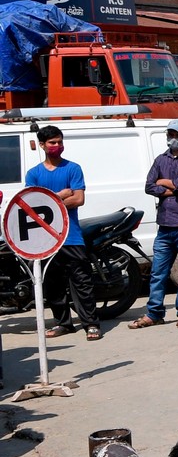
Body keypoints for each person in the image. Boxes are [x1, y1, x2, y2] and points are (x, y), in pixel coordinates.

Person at [24, 126, 100, 339]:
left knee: (82, 282)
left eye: (59, 142)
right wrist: (61, 195)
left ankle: (91, 324)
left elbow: (78, 199)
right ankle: (63, 323)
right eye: (52, 143)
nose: (57, 146)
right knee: (53, 284)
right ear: (42, 145)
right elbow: (34, 209)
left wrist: (51, 202)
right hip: (45, 239)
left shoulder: (73, 169)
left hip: (71, 236)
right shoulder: (34, 174)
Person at [131, 119, 178, 330]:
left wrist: (164, 183)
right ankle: (154, 313)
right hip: (165, 225)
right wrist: (174, 186)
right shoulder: (160, 160)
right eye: (170, 134)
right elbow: (149, 186)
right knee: (158, 272)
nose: (173, 138)